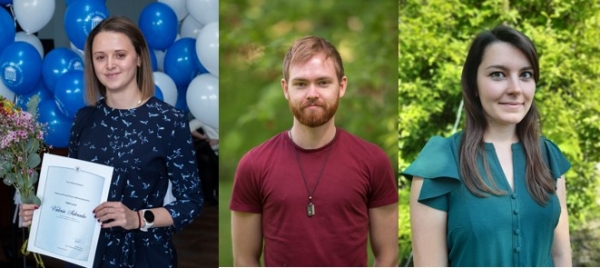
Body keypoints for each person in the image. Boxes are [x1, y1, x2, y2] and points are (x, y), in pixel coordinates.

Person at [19, 16, 203, 267]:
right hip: (85, 253)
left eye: (119, 55)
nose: (110, 65)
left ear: (138, 58)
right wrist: (42, 211)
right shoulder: (84, 118)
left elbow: (191, 203)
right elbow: (73, 191)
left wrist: (138, 218)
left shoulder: (169, 121)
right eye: (100, 57)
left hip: (144, 255)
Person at [403, 25, 572, 266]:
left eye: (525, 75)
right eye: (498, 74)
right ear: (474, 84)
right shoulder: (440, 163)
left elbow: (561, 256)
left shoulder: (548, 157)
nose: (515, 89)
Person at [229, 36, 399, 267]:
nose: (312, 93)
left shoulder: (373, 161)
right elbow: (244, 259)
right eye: (300, 83)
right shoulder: (254, 165)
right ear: (285, 89)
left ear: (342, 87)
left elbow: (388, 256)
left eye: (323, 82)